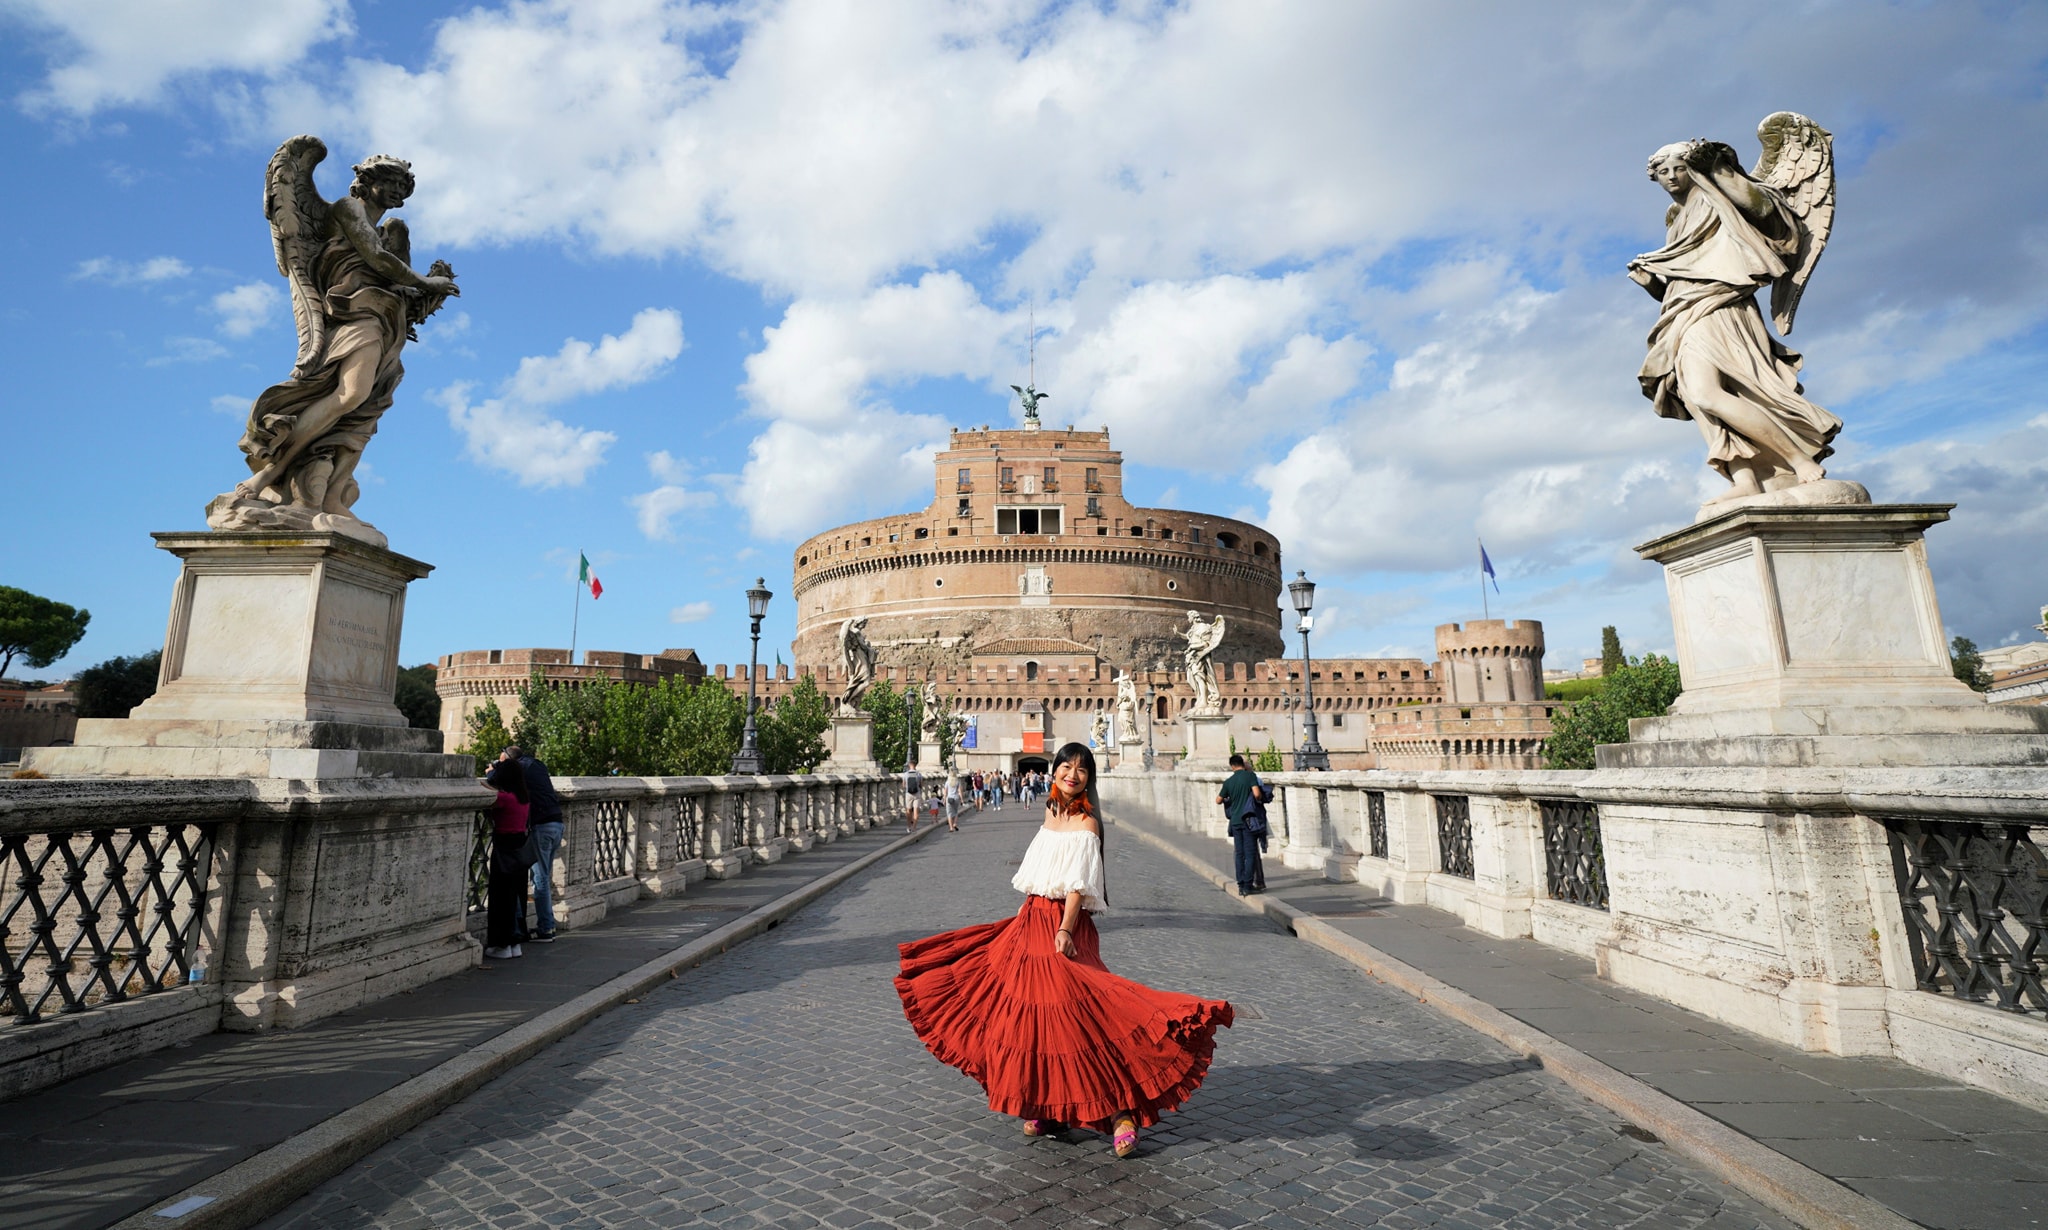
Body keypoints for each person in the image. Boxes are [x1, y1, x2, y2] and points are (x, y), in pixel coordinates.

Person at [895, 742, 1233, 1159]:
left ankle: (1119, 1112)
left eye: (1082, 769)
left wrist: (1066, 929)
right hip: (1031, 921)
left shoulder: (1088, 822)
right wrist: (1025, 911)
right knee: (1030, 1020)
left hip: (1063, 927)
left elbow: (1077, 884)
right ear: (1054, 771)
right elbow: (1043, 872)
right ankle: (1049, 1105)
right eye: (1066, 767)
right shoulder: (1050, 812)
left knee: (1082, 1016)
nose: (1073, 774)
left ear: (1090, 778)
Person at [499, 745, 563, 943]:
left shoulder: (519, 769)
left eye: (502, 762)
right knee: (543, 875)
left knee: (540, 878)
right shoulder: (537, 765)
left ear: (510, 761)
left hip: (541, 826)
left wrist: (494, 771)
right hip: (557, 824)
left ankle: (546, 928)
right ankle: (546, 925)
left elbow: (496, 781)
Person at [481, 756, 531, 960]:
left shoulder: (504, 798)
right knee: (515, 897)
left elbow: (486, 787)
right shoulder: (524, 798)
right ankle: (514, 943)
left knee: (500, 897)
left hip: (504, 847)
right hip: (520, 848)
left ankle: (500, 944)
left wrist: (490, 775)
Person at [1216, 754, 1266, 897]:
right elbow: (1257, 794)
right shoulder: (1250, 777)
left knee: (1239, 853)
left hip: (1236, 821)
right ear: (1242, 764)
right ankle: (1248, 885)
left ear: (1232, 766)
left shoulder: (1228, 782)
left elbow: (1218, 800)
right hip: (1249, 820)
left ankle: (1240, 883)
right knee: (1250, 853)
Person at [903, 763, 924, 831]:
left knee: (908, 810)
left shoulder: (905, 774)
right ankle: (914, 827)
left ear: (909, 766)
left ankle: (908, 826)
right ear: (915, 766)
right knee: (916, 811)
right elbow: (921, 785)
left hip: (908, 794)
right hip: (917, 794)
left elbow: (904, 785)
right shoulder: (919, 774)